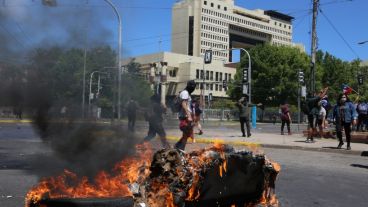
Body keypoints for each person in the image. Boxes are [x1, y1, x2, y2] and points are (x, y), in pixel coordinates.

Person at [174, 80, 196, 151]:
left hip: (186, 116)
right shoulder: (185, 93)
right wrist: (189, 115)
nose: (193, 89)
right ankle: (180, 148)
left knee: (187, 134)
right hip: (185, 116)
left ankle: (178, 147)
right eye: (193, 87)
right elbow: (184, 104)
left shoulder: (186, 93)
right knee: (186, 133)